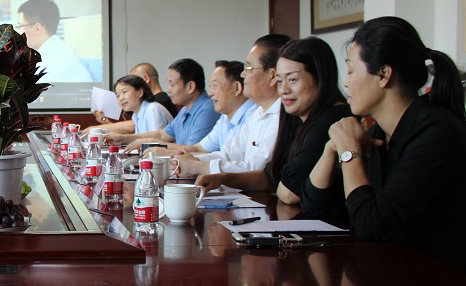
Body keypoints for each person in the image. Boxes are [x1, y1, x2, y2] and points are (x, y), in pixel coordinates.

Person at [302, 16, 466, 272]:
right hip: (395, 272)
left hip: (442, 281)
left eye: (351, 71)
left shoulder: (437, 132)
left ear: (383, 74)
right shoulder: (381, 131)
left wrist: (350, 154)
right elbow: (314, 209)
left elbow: (371, 225)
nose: (346, 82)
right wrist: (331, 149)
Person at [196, 36, 348, 204]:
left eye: (292, 79)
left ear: (320, 76)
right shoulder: (294, 117)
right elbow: (270, 177)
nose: (283, 90)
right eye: (280, 81)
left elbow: (288, 192)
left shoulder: (332, 118)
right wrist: (222, 178)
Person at [172, 34, 288, 177]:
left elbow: (257, 170)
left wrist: (198, 166)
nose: (243, 74)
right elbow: (230, 154)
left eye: (249, 68)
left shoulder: (283, 115)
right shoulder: (259, 112)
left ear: (272, 75)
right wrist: (192, 160)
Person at [146, 60, 256, 157]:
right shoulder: (224, 118)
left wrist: (166, 152)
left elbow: (230, 160)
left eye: (215, 86)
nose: (211, 93)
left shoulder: (253, 117)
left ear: (236, 88)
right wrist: (166, 152)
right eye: (210, 86)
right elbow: (199, 148)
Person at [108, 58, 220, 151]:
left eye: (172, 85)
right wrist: (123, 138)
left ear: (190, 87)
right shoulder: (185, 110)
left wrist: (151, 142)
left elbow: (193, 151)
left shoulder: (208, 110)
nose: (168, 90)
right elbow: (162, 135)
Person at [16, 0, 92, 82]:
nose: (19, 32)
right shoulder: (55, 48)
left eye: (20, 26)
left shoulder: (52, 59)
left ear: (37, 28)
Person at [103, 74, 172, 137]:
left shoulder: (152, 110)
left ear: (140, 92)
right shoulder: (136, 115)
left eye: (124, 92)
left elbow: (156, 142)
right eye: (118, 95)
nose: (121, 98)